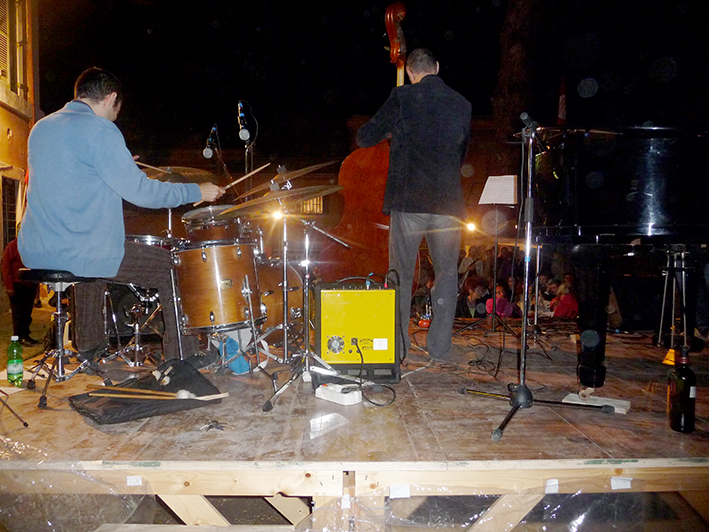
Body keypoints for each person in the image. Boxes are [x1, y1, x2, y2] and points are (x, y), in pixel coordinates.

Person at [18, 67, 225, 362]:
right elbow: (142, 194)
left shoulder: (41, 128)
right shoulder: (100, 130)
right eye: (117, 109)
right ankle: (183, 359)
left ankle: (89, 348)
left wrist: (119, 164)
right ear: (110, 98)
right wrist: (196, 191)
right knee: (174, 268)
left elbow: (72, 178)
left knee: (93, 263)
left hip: (37, 250)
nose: (116, 116)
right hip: (76, 250)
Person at [356, 48, 471, 361]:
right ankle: (440, 348)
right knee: (446, 274)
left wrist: (391, 130)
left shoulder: (402, 97)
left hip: (409, 200)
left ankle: (399, 348)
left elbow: (364, 138)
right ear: (437, 67)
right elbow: (461, 153)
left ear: (409, 72)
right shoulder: (462, 103)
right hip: (448, 202)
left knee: (401, 275)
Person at [2, 236, 39, 346]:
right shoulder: (13, 246)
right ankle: (19, 336)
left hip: (29, 283)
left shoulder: (31, 246)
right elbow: (6, 266)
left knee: (27, 312)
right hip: (18, 284)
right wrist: (9, 286)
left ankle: (25, 335)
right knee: (19, 313)